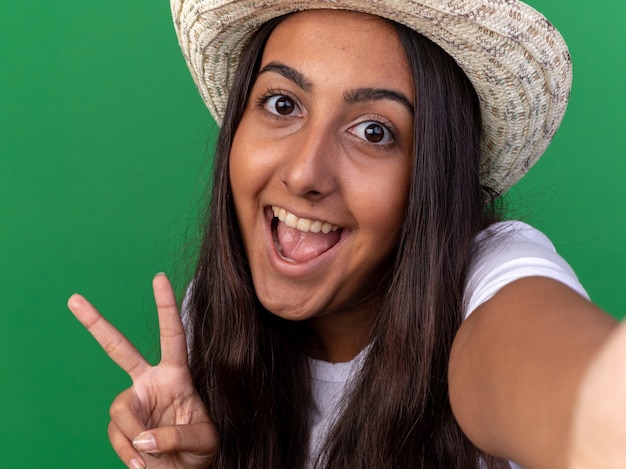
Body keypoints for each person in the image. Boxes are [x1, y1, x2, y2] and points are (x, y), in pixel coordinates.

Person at [67, 0, 626, 468]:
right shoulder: (212, 321)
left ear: (433, 173)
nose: (306, 172)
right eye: (282, 104)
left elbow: (582, 390)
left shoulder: (487, 279)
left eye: (374, 131)